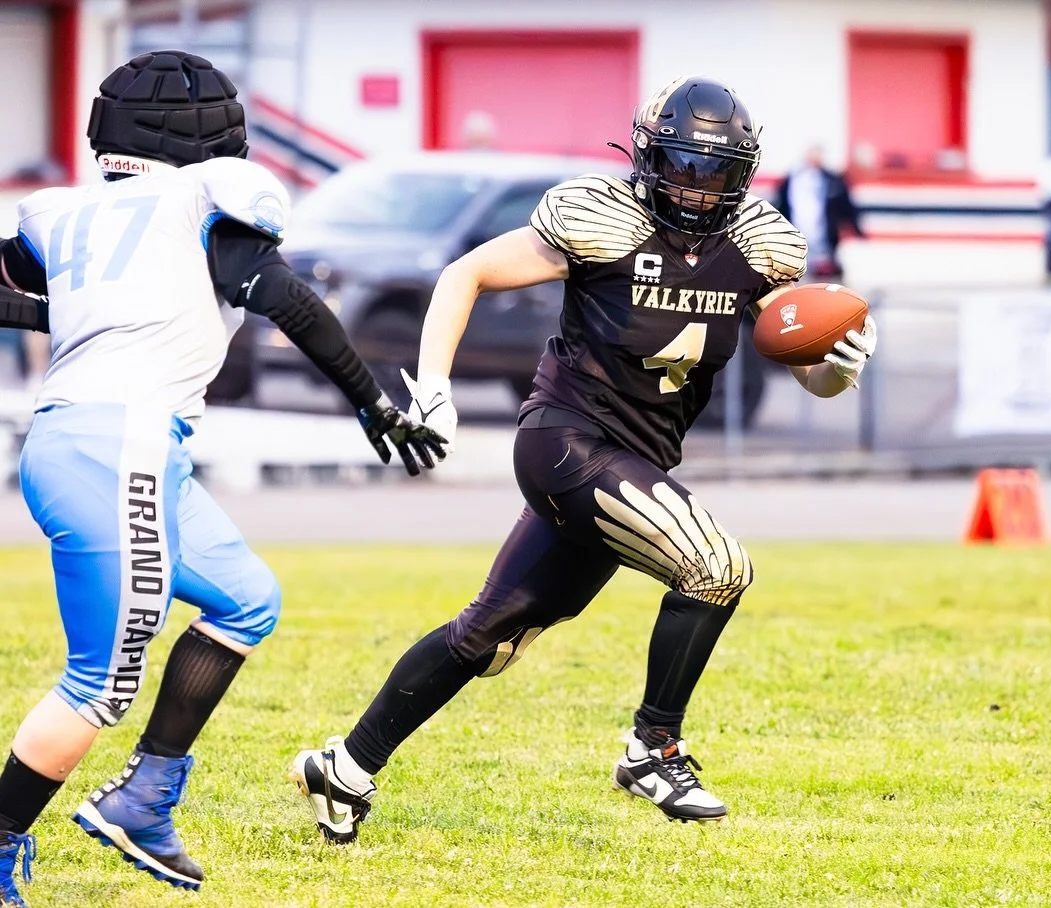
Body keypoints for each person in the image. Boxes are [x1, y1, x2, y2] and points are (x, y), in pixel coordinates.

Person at [289, 75, 878, 840]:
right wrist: (434, 388)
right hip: (565, 440)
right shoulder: (602, 217)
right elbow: (463, 273)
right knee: (717, 566)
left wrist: (837, 368)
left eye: (716, 173)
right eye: (682, 166)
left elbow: (808, 369)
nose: (697, 190)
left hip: (637, 459)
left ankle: (343, 768)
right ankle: (652, 747)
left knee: (490, 638)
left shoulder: (761, 244)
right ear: (646, 157)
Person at [0, 50, 445, 905]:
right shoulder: (210, 195)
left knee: (246, 599)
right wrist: (370, 402)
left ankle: (145, 798)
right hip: (116, 444)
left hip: (109, 443)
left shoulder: (65, 212)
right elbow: (278, 293)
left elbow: (48, 299)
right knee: (98, 688)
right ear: (216, 132)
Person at [772, 144, 863, 278]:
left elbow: (847, 207)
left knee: (824, 279)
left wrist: (858, 232)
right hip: (795, 238)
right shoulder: (792, 179)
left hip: (825, 241)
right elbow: (779, 205)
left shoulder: (833, 180)